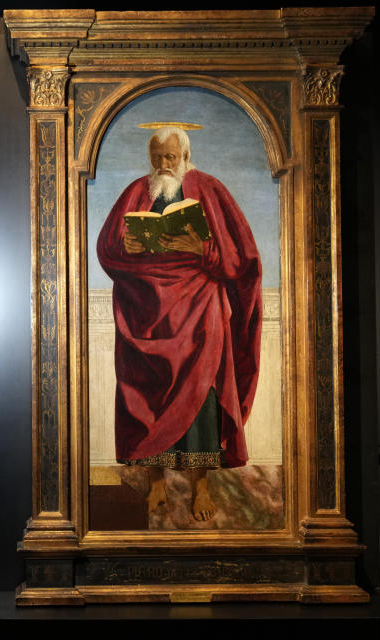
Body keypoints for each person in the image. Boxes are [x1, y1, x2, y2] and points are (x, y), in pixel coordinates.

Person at [97, 125, 262, 471]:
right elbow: (107, 248)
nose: (163, 165)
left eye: (170, 157)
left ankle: (201, 482)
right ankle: (155, 477)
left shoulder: (211, 190)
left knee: (202, 392)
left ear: (185, 156)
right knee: (148, 393)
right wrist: (127, 248)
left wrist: (203, 250)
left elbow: (241, 259)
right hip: (145, 312)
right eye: (156, 158)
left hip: (199, 311)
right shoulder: (135, 193)